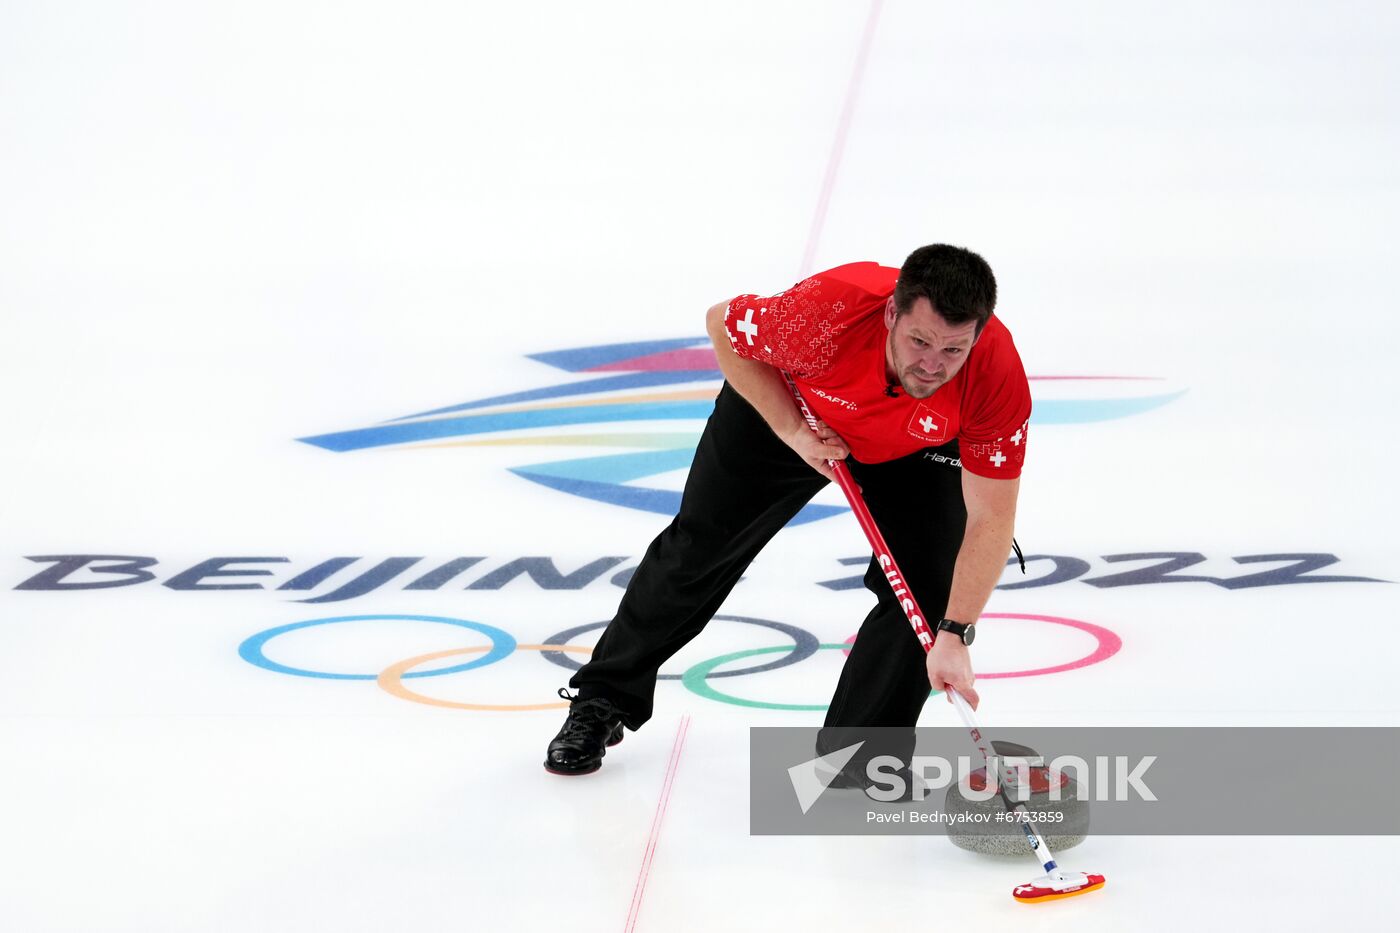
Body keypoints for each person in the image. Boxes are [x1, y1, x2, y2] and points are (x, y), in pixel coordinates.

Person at [543, 244, 1030, 777]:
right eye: (919, 341)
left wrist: (956, 633)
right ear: (892, 313)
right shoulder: (827, 315)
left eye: (953, 350)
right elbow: (723, 327)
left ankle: (860, 757)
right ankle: (603, 699)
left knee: (928, 591)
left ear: (977, 337)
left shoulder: (995, 377)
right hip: (796, 409)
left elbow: (991, 518)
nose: (932, 365)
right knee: (699, 548)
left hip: (912, 446)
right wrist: (792, 432)